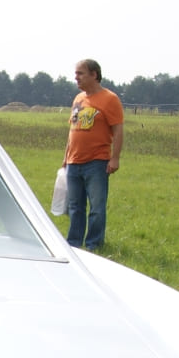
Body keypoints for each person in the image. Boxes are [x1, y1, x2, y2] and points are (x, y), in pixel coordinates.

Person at [63, 58, 123, 251]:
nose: (76, 77)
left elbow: (118, 130)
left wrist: (115, 157)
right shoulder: (78, 99)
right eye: (76, 73)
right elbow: (72, 129)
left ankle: (93, 244)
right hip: (74, 161)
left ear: (94, 75)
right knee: (75, 206)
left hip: (96, 162)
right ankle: (74, 243)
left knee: (96, 207)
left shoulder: (110, 99)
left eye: (80, 73)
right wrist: (66, 158)